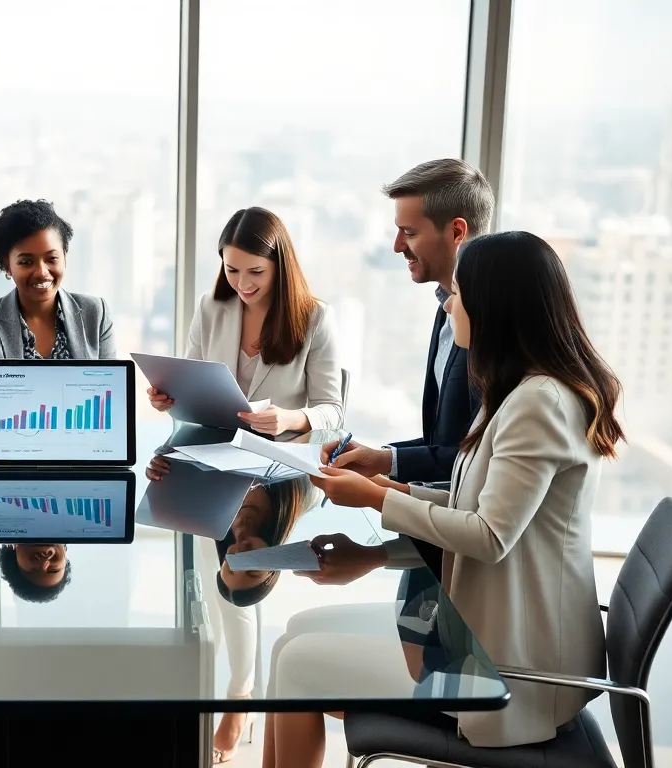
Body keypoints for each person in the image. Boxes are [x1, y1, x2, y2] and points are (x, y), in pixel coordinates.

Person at [264, 231, 623, 767]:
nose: (449, 304)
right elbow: (472, 505)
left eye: (457, 294)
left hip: (507, 672)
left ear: (492, 306)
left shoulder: (538, 404)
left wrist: (377, 501)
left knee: (296, 664)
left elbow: (489, 536)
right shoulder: (519, 392)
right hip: (492, 631)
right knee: (291, 638)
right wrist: (387, 501)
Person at [312, 159, 491, 582]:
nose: (396, 246)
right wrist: (382, 459)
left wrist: (378, 492)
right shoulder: (446, 307)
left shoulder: (488, 332)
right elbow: (447, 442)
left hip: (462, 562)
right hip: (433, 537)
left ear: (457, 232)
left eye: (409, 232)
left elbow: (471, 467)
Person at [145, 457, 320, 764]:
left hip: (222, 479)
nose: (241, 555)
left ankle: (238, 700)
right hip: (268, 445)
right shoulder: (297, 493)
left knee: (223, 594)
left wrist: (163, 466)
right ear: (273, 570)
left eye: (233, 562)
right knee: (217, 598)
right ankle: (220, 696)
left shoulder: (223, 528)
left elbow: (186, 461)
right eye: (252, 569)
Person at [149, 207, 342, 436]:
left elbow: (333, 412)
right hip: (215, 449)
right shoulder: (210, 308)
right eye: (232, 270)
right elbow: (191, 392)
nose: (243, 284)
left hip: (278, 455)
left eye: (256, 271)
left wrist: (289, 419)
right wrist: (169, 400)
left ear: (280, 267)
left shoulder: (316, 318)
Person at [0, 199, 115, 432]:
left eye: (52, 259)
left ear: (64, 257)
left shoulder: (96, 313)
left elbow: (113, 403)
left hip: (83, 450)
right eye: (26, 262)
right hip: (11, 456)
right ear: (7, 266)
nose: (42, 272)